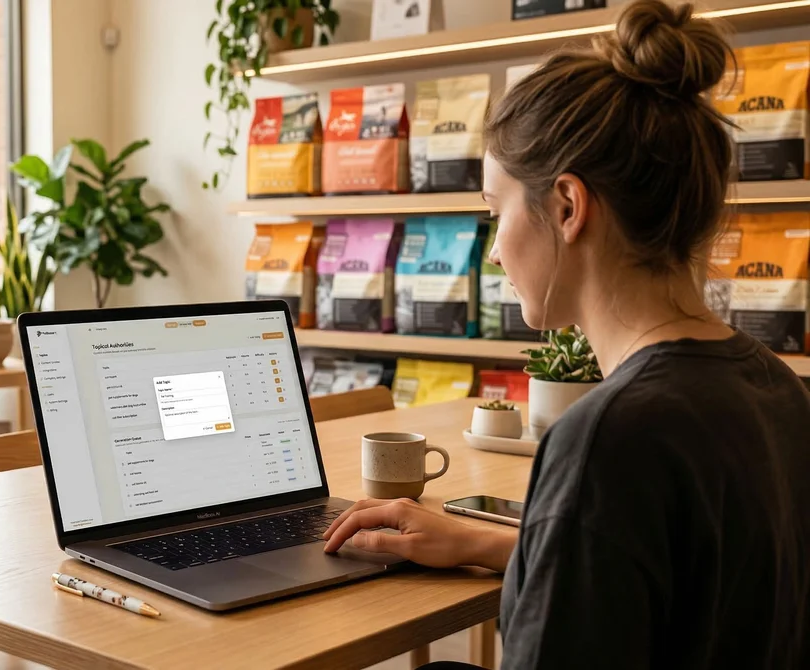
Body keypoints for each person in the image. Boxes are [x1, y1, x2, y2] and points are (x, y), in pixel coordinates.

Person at [321, 1, 810, 668]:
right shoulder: (777, 388)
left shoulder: (607, 440)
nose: (495, 251)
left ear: (568, 207)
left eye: (496, 213)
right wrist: (487, 541)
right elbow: (681, 584)